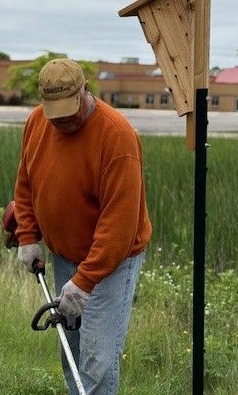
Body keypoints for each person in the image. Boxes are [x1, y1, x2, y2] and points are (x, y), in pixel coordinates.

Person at [13, 58, 151, 395]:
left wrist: (86, 281)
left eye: (67, 110)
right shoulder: (36, 122)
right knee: (71, 350)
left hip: (111, 263)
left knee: (97, 359)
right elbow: (27, 182)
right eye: (52, 111)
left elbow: (119, 222)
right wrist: (27, 236)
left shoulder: (116, 136)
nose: (60, 120)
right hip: (63, 256)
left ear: (84, 91)